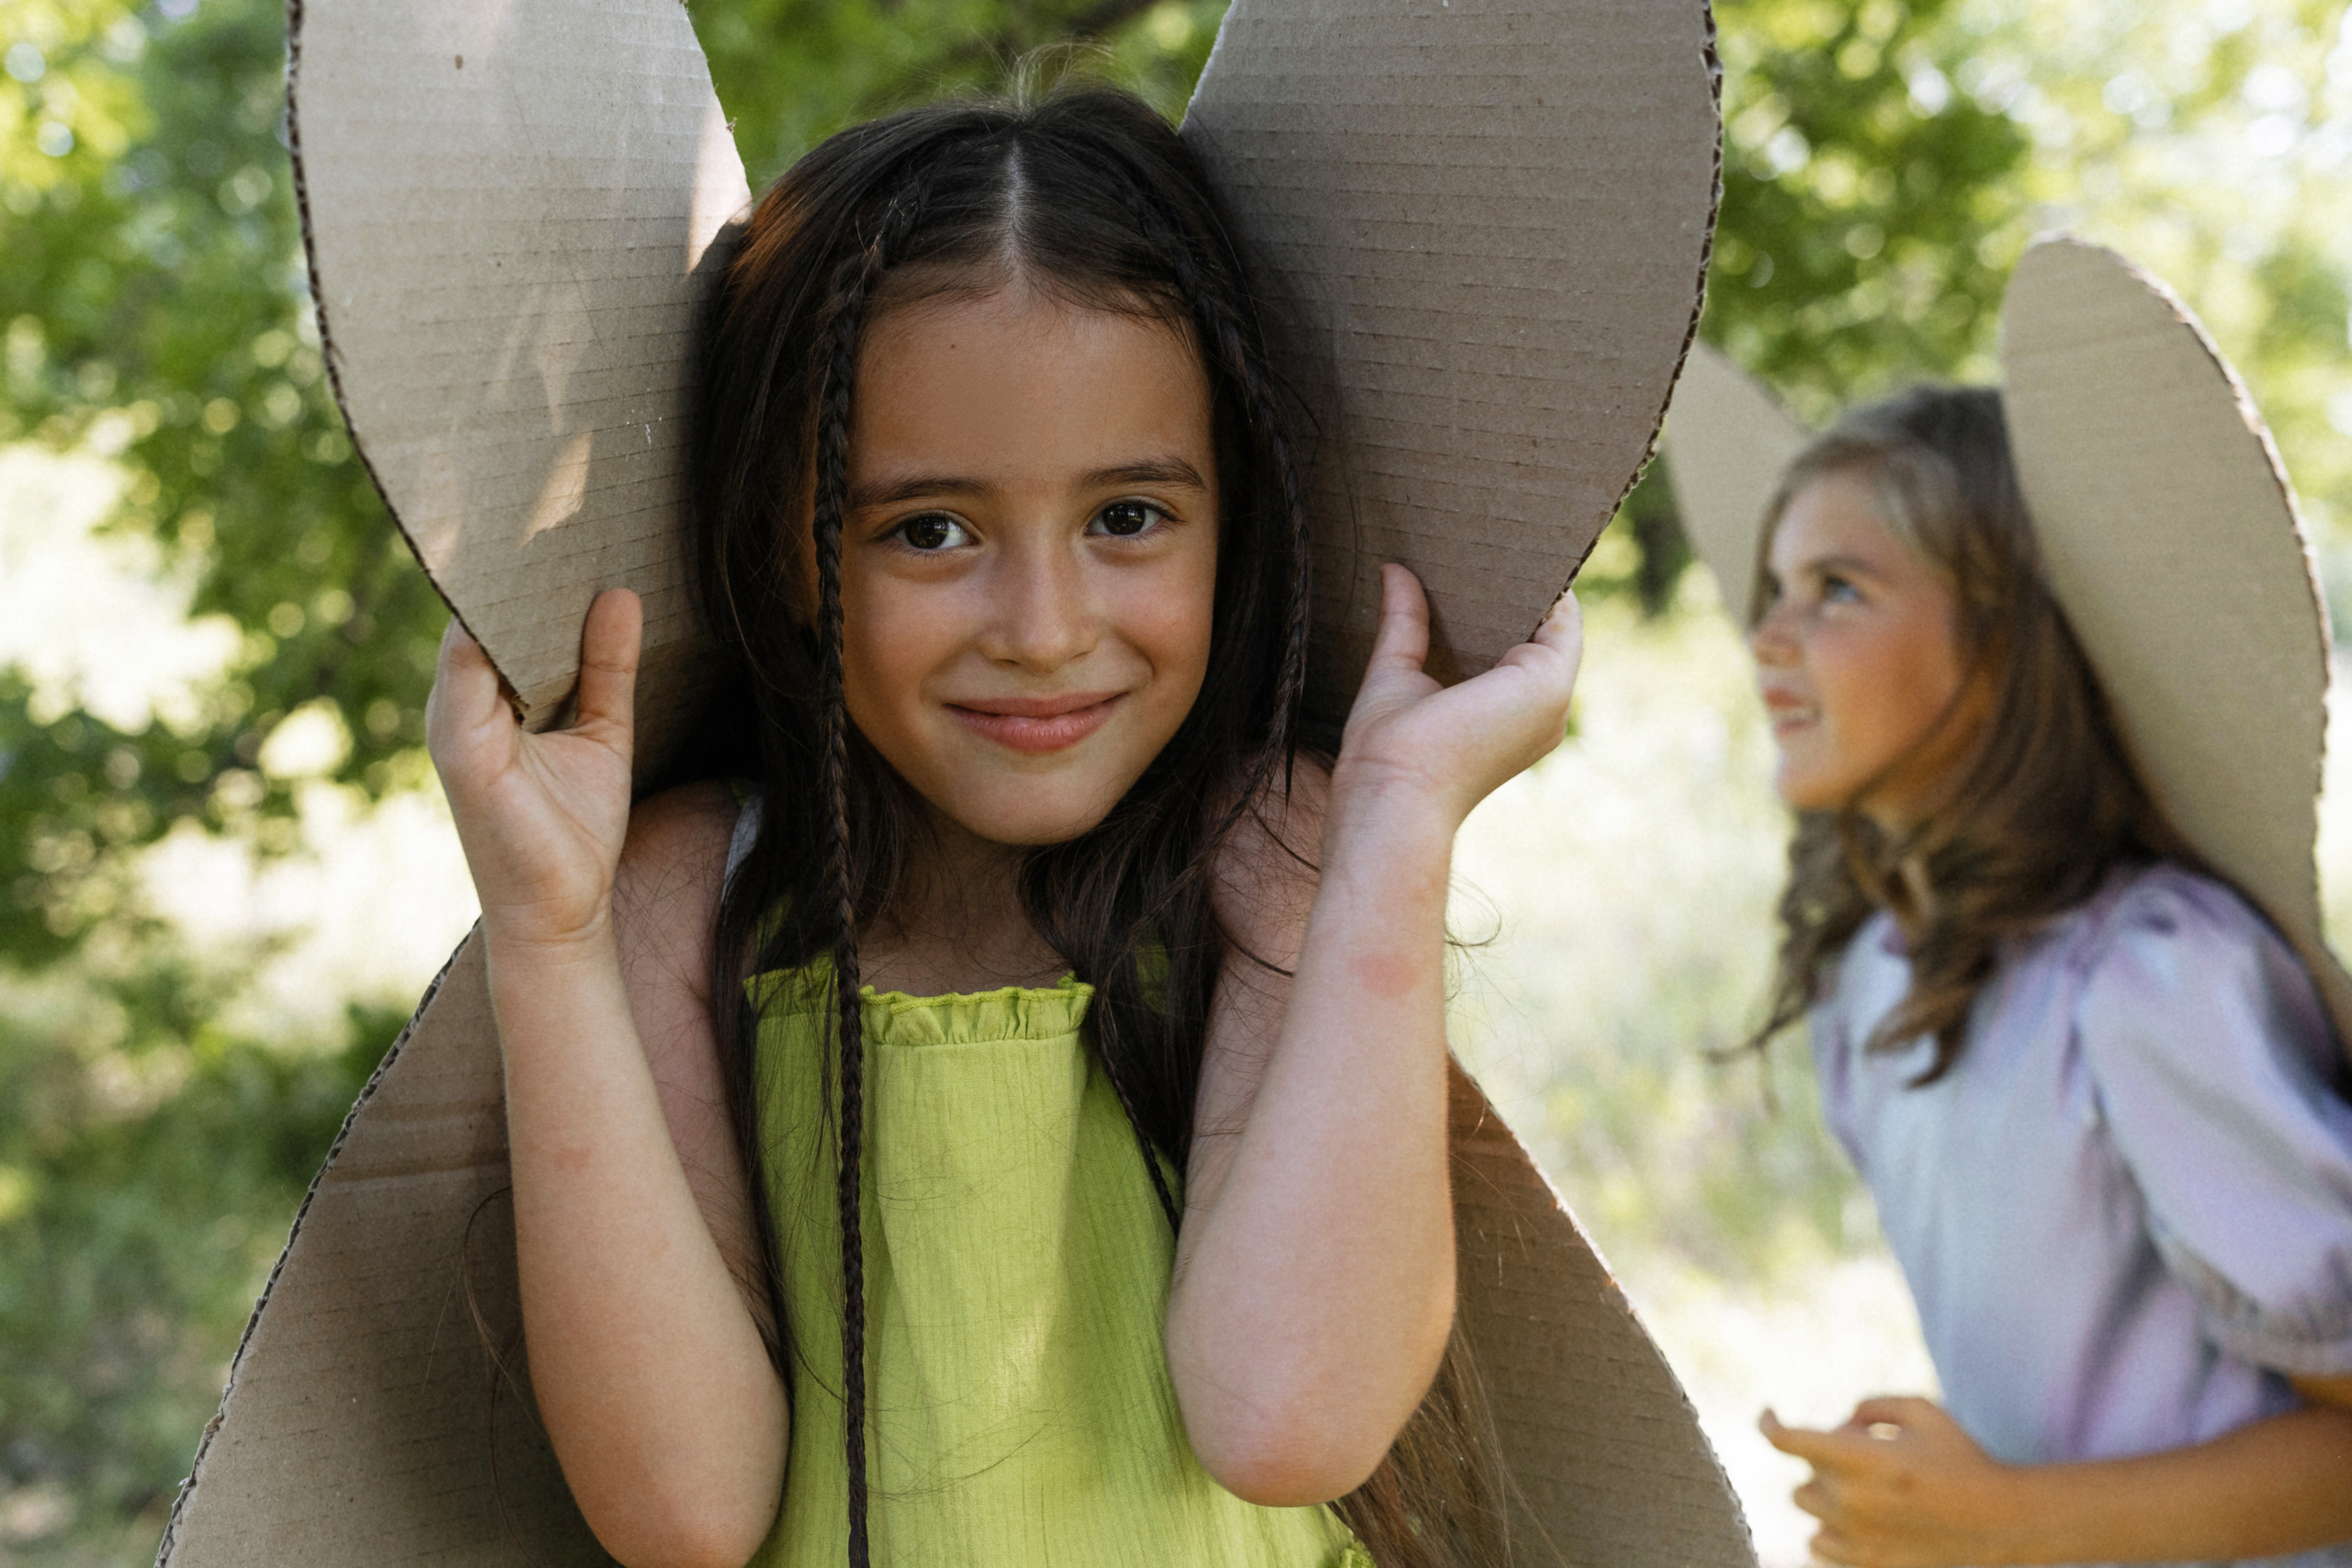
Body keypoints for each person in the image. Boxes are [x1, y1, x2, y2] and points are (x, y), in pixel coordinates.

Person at [424, 86, 1583, 1568]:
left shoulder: (1274, 856)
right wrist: (546, 930)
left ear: (1239, 522)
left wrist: (1403, 819)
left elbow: (1293, 1418)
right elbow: (685, 1511)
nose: (1044, 630)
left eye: (1128, 518)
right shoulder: (688, 894)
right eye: (929, 531)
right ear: (786, 551)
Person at [1738, 385, 2352, 1567]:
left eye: (1836, 590)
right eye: (1774, 591)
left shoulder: (2146, 981)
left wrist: (2005, 1526)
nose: (1768, 636)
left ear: (2003, 635)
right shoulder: (1870, 977)